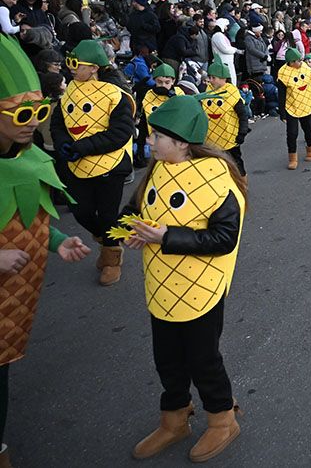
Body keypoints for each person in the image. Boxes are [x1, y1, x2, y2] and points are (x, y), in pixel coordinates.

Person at [115, 94, 246, 462]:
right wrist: (129, 230)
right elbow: (133, 210)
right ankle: (174, 420)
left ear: (181, 143)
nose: (149, 142)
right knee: (167, 357)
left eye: (157, 137)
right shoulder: (156, 170)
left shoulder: (218, 180)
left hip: (201, 288)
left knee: (203, 359)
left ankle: (222, 420)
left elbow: (224, 238)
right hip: (160, 285)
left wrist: (165, 237)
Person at [0, 36, 91, 468]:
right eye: (21, 113)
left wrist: (57, 242)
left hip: (14, 299)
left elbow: (25, 220)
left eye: (39, 112)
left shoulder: (28, 154)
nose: (32, 123)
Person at [50, 40, 136, 286]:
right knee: (81, 211)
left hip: (111, 165)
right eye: (70, 63)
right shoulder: (69, 94)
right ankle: (108, 242)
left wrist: (82, 147)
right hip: (77, 165)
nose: (72, 69)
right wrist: (64, 144)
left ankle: (111, 257)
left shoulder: (115, 94)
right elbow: (58, 124)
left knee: (108, 214)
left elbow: (121, 132)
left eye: (77, 64)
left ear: (94, 67)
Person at [202, 57, 250, 176]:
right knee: (215, 166)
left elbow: (243, 115)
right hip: (211, 139)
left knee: (236, 164)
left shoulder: (232, 94)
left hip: (230, 138)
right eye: (209, 77)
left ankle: (241, 186)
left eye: (214, 78)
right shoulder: (206, 93)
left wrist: (242, 133)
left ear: (223, 78)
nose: (210, 80)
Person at [276, 48, 311, 169]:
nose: (300, 62)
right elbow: (281, 95)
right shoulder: (283, 73)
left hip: (306, 103)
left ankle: (310, 150)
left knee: (308, 129)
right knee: (292, 133)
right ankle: (292, 158)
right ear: (291, 62)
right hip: (291, 106)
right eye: (298, 61)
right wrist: (282, 113)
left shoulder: (305, 67)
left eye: (300, 60)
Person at [137, 64, 182, 169]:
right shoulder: (148, 96)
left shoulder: (180, 95)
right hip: (155, 141)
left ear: (173, 81)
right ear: (154, 80)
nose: (163, 86)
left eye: (167, 82)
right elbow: (144, 122)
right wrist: (140, 147)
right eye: (159, 82)